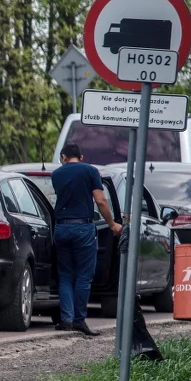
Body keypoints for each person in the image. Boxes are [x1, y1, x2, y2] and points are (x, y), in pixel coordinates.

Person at [51, 143, 121, 336]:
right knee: (83, 275)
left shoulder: (56, 174)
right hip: (83, 228)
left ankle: (66, 319)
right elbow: (100, 200)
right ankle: (79, 320)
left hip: (61, 228)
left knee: (65, 275)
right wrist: (112, 223)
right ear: (80, 157)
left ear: (64, 157)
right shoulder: (90, 171)